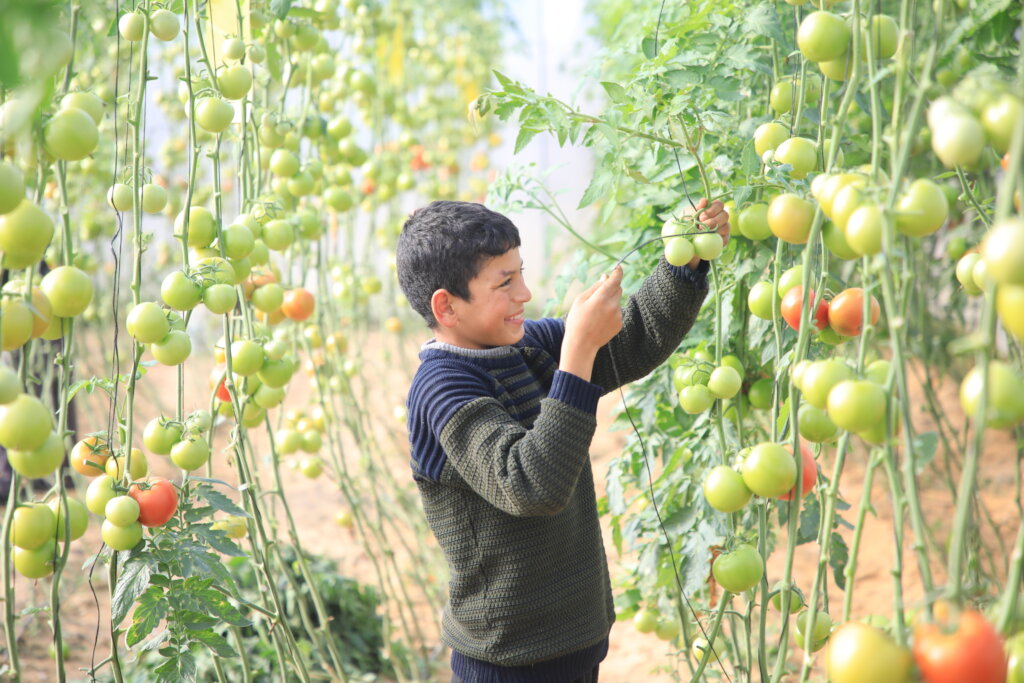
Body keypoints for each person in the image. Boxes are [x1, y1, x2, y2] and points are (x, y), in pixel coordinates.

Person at [396, 199, 729, 683]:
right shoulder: (443, 389)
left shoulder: (526, 345)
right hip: (506, 662)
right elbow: (529, 486)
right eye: (504, 282)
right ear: (446, 306)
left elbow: (634, 340)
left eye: (521, 273)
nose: (525, 293)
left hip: (575, 643)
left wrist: (685, 263)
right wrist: (577, 352)